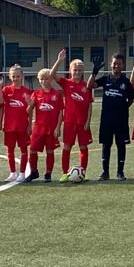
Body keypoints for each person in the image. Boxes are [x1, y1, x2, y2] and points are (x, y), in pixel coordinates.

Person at [88, 53, 134, 180]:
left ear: (123, 65)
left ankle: (120, 172)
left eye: (119, 64)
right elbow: (90, 86)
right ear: (111, 64)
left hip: (121, 120)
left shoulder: (126, 82)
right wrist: (94, 72)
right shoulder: (105, 79)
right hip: (106, 119)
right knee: (106, 145)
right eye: (114, 63)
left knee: (121, 145)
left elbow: (131, 98)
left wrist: (123, 108)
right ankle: (105, 172)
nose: (116, 66)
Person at [50, 49, 93, 183]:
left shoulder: (87, 86)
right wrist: (59, 60)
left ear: (83, 71)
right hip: (69, 121)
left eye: (80, 70)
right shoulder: (66, 83)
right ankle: (64, 173)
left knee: (83, 147)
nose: (77, 72)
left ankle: (82, 173)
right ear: (70, 70)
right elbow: (52, 74)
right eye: (75, 70)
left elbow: (90, 105)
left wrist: (88, 121)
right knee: (67, 147)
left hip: (83, 123)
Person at [26, 68, 63, 182]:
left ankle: (48, 173)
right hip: (38, 128)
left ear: (51, 79)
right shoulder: (36, 94)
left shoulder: (56, 94)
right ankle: (34, 172)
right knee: (32, 149)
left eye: (46, 79)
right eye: (41, 79)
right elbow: (28, 111)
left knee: (50, 151)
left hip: (51, 129)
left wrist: (58, 127)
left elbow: (60, 112)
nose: (43, 81)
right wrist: (30, 105)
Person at [0, 65, 32, 182]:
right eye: (13, 76)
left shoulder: (27, 92)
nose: (15, 78)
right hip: (9, 126)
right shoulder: (6, 90)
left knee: (24, 150)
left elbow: (30, 110)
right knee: (10, 150)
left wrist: (30, 125)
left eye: (18, 76)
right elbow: (0, 101)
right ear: (9, 77)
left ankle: (22, 173)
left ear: (22, 76)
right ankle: (12, 172)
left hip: (22, 126)